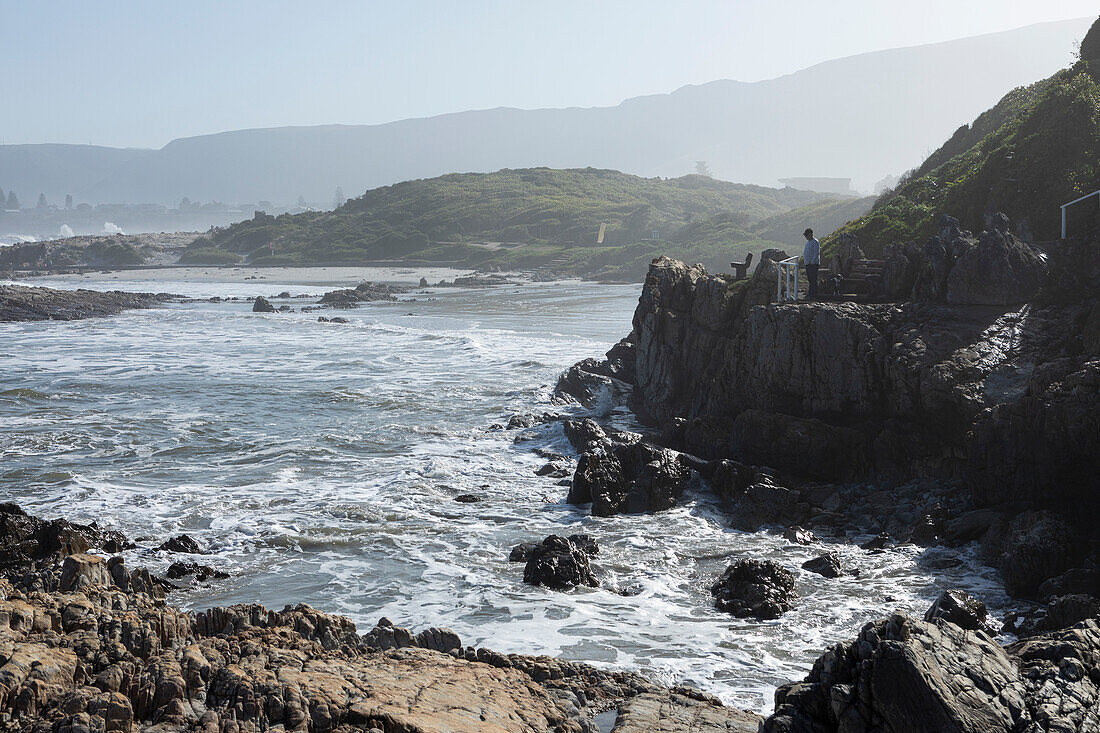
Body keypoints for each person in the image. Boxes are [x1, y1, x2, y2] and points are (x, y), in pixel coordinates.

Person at [801, 227, 820, 298]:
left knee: (813, 279)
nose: (806, 237)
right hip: (808, 264)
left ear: (811, 234)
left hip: (813, 264)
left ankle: (814, 294)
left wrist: (812, 261)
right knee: (810, 279)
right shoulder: (808, 243)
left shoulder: (815, 242)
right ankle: (810, 293)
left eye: (807, 235)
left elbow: (816, 252)